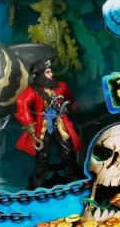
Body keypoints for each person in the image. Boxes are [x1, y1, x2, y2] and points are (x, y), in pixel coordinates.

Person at [15, 59, 83, 190]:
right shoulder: (33, 90)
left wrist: (73, 103)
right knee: (42, 156)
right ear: (40, 74)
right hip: (43, 125)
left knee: (68, 152)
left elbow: (68, 95)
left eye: (50, 71)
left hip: (60, 123)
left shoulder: (61, 86)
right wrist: (28, 123)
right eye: (47, 72)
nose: (51, 74)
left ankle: (73, 177)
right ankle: (38, 182)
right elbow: (21, 103)